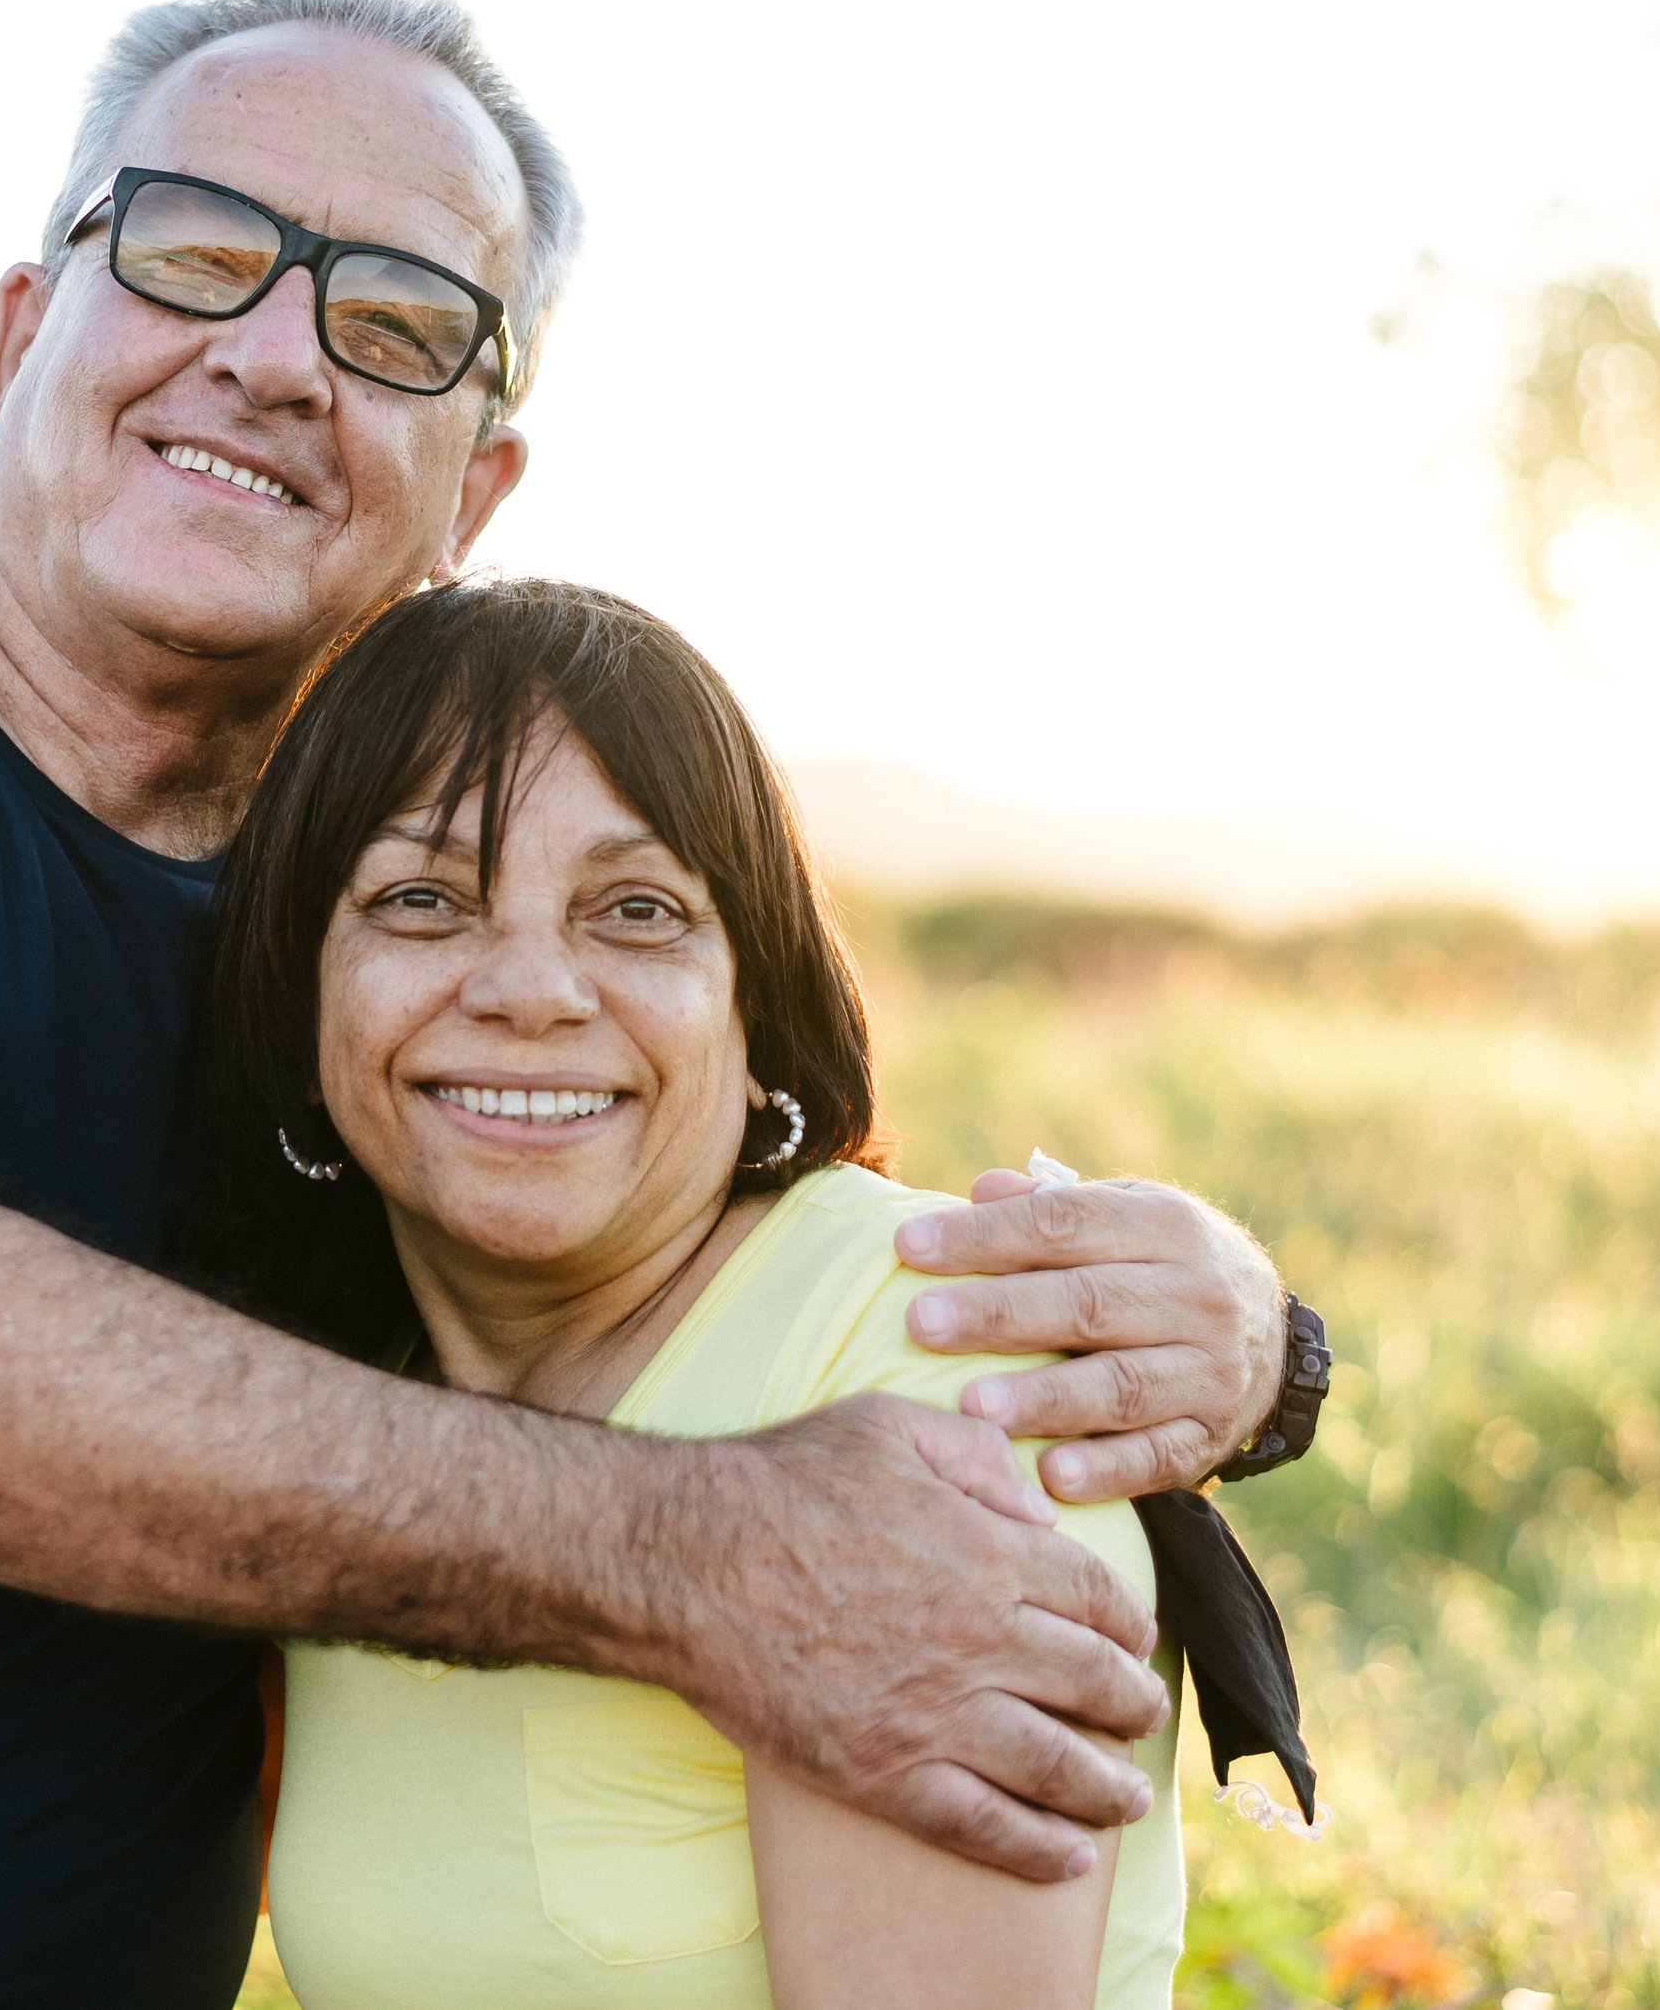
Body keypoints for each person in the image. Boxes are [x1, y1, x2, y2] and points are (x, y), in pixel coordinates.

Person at [0, 0, 1307, 2006]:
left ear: (475, 487)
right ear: (14, 339)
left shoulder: (374, 962)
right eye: (194, 251)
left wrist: (1251, 1341)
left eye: (397, 321)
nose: (277, 355)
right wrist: (720, 1558)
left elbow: (688, 1244)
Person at [182, 577, 1192, 2009]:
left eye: (638, 911)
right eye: (419, 898)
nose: (532, 989)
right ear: (296, 992)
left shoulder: (929, 1366)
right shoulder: (340, 1409)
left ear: (753, 995)